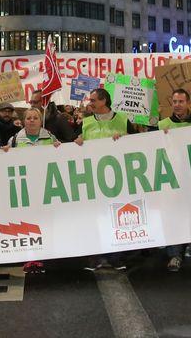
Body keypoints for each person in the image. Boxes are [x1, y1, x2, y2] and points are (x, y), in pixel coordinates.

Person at [78, 87, 138, 271]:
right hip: (94, 177)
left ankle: (116, 257)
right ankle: (94, 257)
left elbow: (138, 143)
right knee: (94, 218)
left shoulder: (122, 119)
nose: (91, 103)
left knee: (115, 216)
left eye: (94, 100)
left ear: (104, 101)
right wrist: (78, 140)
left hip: (118, 177)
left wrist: (126, 138)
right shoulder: (86, 122)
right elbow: (82, 145)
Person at [3, 106, 60, 274]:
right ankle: (30, 257)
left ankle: (45, 253)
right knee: (29, 221)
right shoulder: (15, 140)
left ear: (40, 120)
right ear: (23, 120)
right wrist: (4, 152)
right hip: (25, 186)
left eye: (35, 117)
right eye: (29, 118)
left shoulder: (49, 137)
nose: (32, 120)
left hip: (45, 184)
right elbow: (5, 160)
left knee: (44, 219)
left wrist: (59, 148)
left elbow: (61, 155)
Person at [158, 88, 191, 271]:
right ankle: (175, 256)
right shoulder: (162, 124)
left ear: (188, 103)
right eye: (175, 102)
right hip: (172, 180)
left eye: (181, 102)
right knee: (174, 217)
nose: (177, 105)